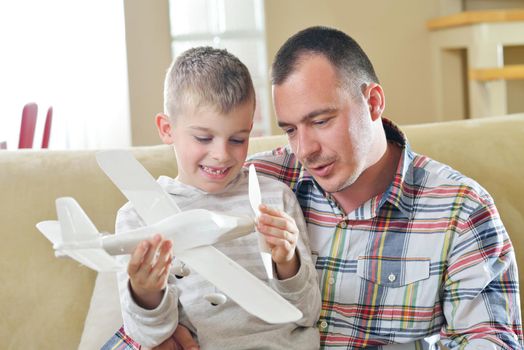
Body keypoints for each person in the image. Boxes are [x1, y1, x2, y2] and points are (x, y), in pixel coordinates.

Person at [169, 26, 524, 349]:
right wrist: (158, 338)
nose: (305, 149)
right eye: (291, 130)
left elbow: (491, 341)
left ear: (373, 103)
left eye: (320, 121)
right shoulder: (258, 184)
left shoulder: (461, 210)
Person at [102, 47, 321, 349]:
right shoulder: (138, 216)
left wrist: (287, 263)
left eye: (237, 139)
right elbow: (147, 336)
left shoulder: (274, 198)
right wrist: (145, 292)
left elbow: (308, 313)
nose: (221, 154)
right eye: (203, 138)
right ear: (167, 129)